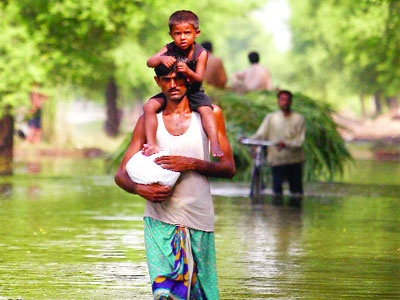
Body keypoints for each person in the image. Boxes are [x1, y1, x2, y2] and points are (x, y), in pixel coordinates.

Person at [114, 63, 236, 299]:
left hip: (198, 218)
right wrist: (139, 189)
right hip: (159, 219)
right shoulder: (148, 121)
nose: (172, 85)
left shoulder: (209, 116)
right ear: (157, 82)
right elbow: (121, 175)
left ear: (189, 80)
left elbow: (229, 168)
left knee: (202, 294)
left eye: (178, 79)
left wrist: (190, 163)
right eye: (166, 79)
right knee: (165, 294)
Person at [144, 10, 224, 158]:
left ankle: (214, 141)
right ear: (171, 34)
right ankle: (151, 143)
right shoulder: (169, 48)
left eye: (187, 33)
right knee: (149, 106)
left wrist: (187, 71)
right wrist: (161, 59)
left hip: (193, 91)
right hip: (173, 91)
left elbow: (199, 78)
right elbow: (150, 62)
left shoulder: (201, 53)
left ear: (196, 33)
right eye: (177, 34)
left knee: (207, 110)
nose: (182, 38)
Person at [249, 90, 305, 205]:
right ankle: (279, 219)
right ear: (278, 101)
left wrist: (286, 144)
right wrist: (249, 140)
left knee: (296, 194)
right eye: (282, 100)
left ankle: (294, 220)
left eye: (287, 100)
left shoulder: (299, 119)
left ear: (291, 102)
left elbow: (299, 141)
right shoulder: (271, 118)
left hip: (294, 161)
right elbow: (260, 134)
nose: (284, 102)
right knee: (277, 194)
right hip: (276, 161)